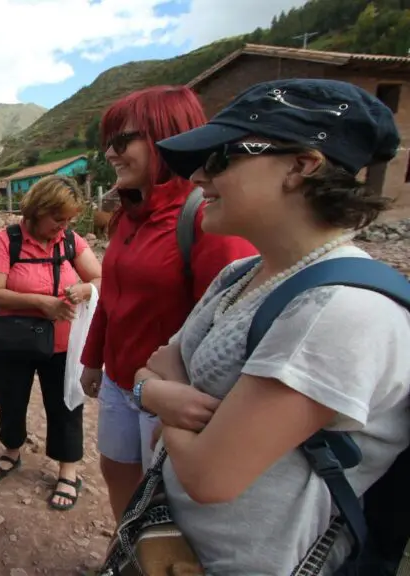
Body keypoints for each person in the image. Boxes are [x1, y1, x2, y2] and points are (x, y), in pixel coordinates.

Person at [137, 78, 409, 573]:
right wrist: (157, 391)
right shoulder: (240, 275)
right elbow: (156, 363)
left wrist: (164, 396)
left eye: (221, 158)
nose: (198, 176)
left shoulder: (339, 311)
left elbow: (209, 476)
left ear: (302, 166)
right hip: (180, 544)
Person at [77, 86, 257, 521]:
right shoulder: (128, 215)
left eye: (123, 141)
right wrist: (94, 359)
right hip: (120, 382)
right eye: (108, 143)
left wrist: (184, 403)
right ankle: (126, 551)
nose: (111, 154)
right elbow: (111, 294)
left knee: (162, 498)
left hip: (169, 393)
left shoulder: (207, 219)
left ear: (167, 137)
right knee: (117, 470)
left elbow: (227, 326)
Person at [0, 175, 103, 511]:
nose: (63, 227)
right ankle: (11, 450)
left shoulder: (70, 242)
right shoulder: (7, 241)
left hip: (62, 342)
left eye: (68, 220)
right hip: (13, 340)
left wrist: (86, 289)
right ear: (37, 210)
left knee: (66, 403)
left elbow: (99, 276)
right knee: (10, 399)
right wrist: (42, 303)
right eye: (57, 218)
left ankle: (68, 470)